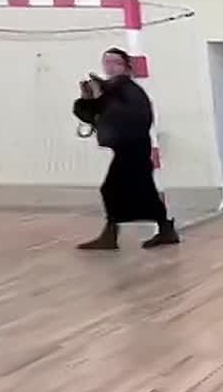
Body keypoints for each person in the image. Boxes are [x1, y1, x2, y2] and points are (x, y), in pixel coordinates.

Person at [72, 47, 180, 250]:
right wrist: (87, 99)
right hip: (127, 149)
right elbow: (93, 115)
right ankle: (163, 229)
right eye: (107, 62)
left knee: (113, 189)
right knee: (139, 190)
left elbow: (125, 116)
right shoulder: (114, 91)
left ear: (126, 67)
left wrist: (98, 98)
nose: (110, 66)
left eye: (116, 62)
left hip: (134, 149)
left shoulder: (129, 91)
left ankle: (112, 234)